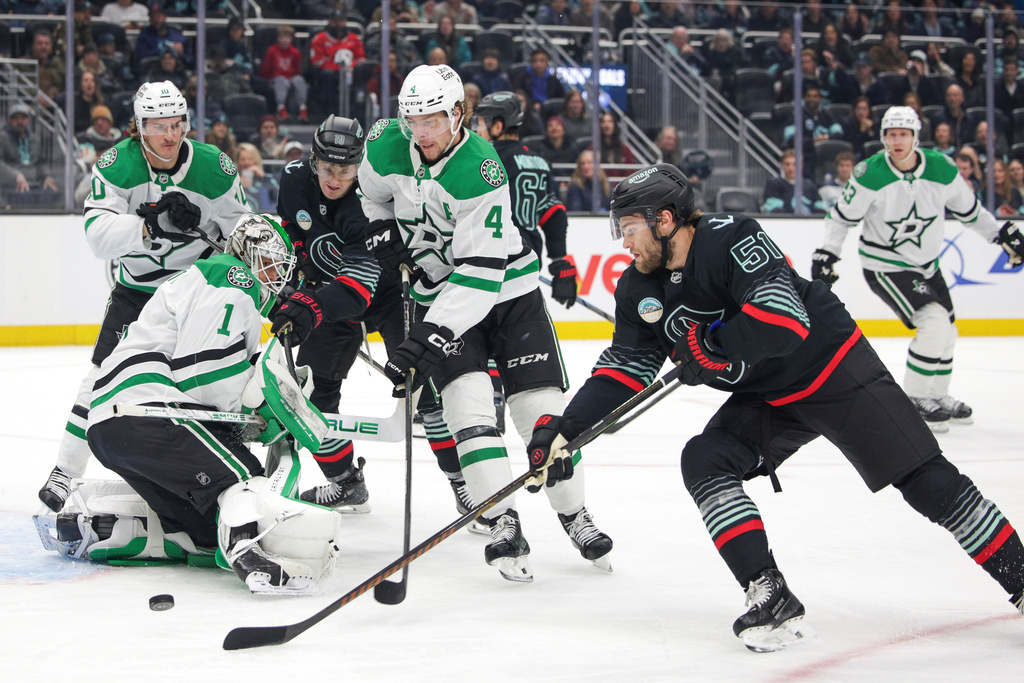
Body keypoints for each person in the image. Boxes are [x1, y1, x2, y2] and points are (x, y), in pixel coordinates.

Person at [526, 161, 1024, 653]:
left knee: (925, 482)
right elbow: (626, 367)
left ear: (665, 219)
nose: (624, 242)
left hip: (830, 367)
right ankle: (770, 591)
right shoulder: (638, 286)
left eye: (630, 228)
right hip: (766, 393)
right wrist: (566, 427)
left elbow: (785, 319)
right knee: (705, 459)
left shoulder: (731, 237)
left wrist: (712, 344)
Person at [358, 64, 613, 581]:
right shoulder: (384, 142)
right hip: (438, 293)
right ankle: (501, 521)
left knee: (541, 415)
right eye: (412, 119)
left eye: (432, 119)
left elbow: (480, 273)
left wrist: (429, 335)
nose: (421, 132)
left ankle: (574, 514)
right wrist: (383, 228)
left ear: (458, 114)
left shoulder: (481, 167)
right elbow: (371, 193)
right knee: (467, 413)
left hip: (507, 293)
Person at [80, 213, 343, 593]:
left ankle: (113, 524)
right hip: (149, 410)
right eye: (270, 262)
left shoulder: (206, 279)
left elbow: (206, 365)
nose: (275, 275)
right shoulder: (231, 276)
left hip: (110, 422)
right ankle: (248, 554)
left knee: (202, 526)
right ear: (249, 254)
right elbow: (202, 374)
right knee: (245, 479)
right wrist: (253, 410)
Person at [36, 81, 249, 513]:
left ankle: (224, 466)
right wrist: (149, 227)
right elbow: (98, 237)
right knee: (98, 379)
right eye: (157, 126)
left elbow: (242, 235)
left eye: (177, 125)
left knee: (207, 381)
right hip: (138, 292)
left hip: (196, 293)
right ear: (138, 127)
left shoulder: (215, 168)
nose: (169, 136)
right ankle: (65, 470)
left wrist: (205, 227)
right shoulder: (117, 165)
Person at [270, 115, 472, 522]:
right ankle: (346, 481)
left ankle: (464, 486)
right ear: (313, 160)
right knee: (314, 397)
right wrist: (298, 263)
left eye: (345, 169)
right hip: (328, 294)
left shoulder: (369, 197)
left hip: (388, 295)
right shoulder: (294, 179)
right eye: (327, 167)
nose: (334, 178)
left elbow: (359, 284)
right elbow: (292, 224)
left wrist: (310, 305)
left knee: (424, 391)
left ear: (359, 165)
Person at [813, 106, 1024, 431]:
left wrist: (1000, 234)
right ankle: (914, 399)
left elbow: (970, 212)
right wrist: (827, 253)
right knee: (934, 323)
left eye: (903, 134)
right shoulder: (870, 173)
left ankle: (937, 395)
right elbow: (841, 217)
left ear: (915, 136)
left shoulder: (941, 168)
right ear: (883, 137)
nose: (897, 141)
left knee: (948, 330)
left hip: (926, 264)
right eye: (891, 134)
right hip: (885, 265)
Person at [473, 91, 578, 309]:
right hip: (528, 265)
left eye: (482, 123)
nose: (476, 129)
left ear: (498, 126)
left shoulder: (486, 159)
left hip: (489, 265)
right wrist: (560, 263)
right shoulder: (539, 161)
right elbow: (554, 214)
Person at [0, 103, 60, 209]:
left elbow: (41, 162)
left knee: (52, 192)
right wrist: (16, 176)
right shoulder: (2, 138)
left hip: (35, 182)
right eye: (16, 118)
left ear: (28, 120)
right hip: (11, 184)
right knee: (23, 195)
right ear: (9, 120)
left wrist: (47, 176)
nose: (20, 121)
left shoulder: (34, 139)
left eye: (23, 118)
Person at [310, 11, 366, 115]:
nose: (338, 24)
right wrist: (338, 68)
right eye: (335, 21)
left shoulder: (355, 39)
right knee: (327, 75)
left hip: (351, 71)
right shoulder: (319, 38)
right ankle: (328, 112)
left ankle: (358, 112)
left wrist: (350, 67)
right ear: (330, 22)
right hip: (330, 74)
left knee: (361, 73)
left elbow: (361, 59)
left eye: (340, 21)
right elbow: (316, 61)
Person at [260, 25, 309, 122]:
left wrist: (294, 77)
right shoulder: (272, 51)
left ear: (291, 39)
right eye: (282, 37)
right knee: (281, 81)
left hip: (291, 77)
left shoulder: (295, 52)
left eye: (288, 37)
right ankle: (281, 108)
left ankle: (302, 108)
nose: (285, 40)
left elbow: (298, 70)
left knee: (299, 80)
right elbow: (266, 69)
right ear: (278, 38)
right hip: (277, 78)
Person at [761, 148, 825, 214]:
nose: (791, 168)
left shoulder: (809, 185)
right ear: (782, 165)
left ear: (801, 165)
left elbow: (820, 208)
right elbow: (774, 210)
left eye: (795, 164)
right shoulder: (774, 184)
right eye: (787, 164)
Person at [235, 142, 279, 212]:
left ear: (256, 160)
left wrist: (264, 177)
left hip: (266, 216)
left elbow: (278, 198)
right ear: (237, 161)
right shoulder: (233, 181)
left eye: (250, 159)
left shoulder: (268, 179)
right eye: (242, 159)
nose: (246, 163)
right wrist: (238, 185)